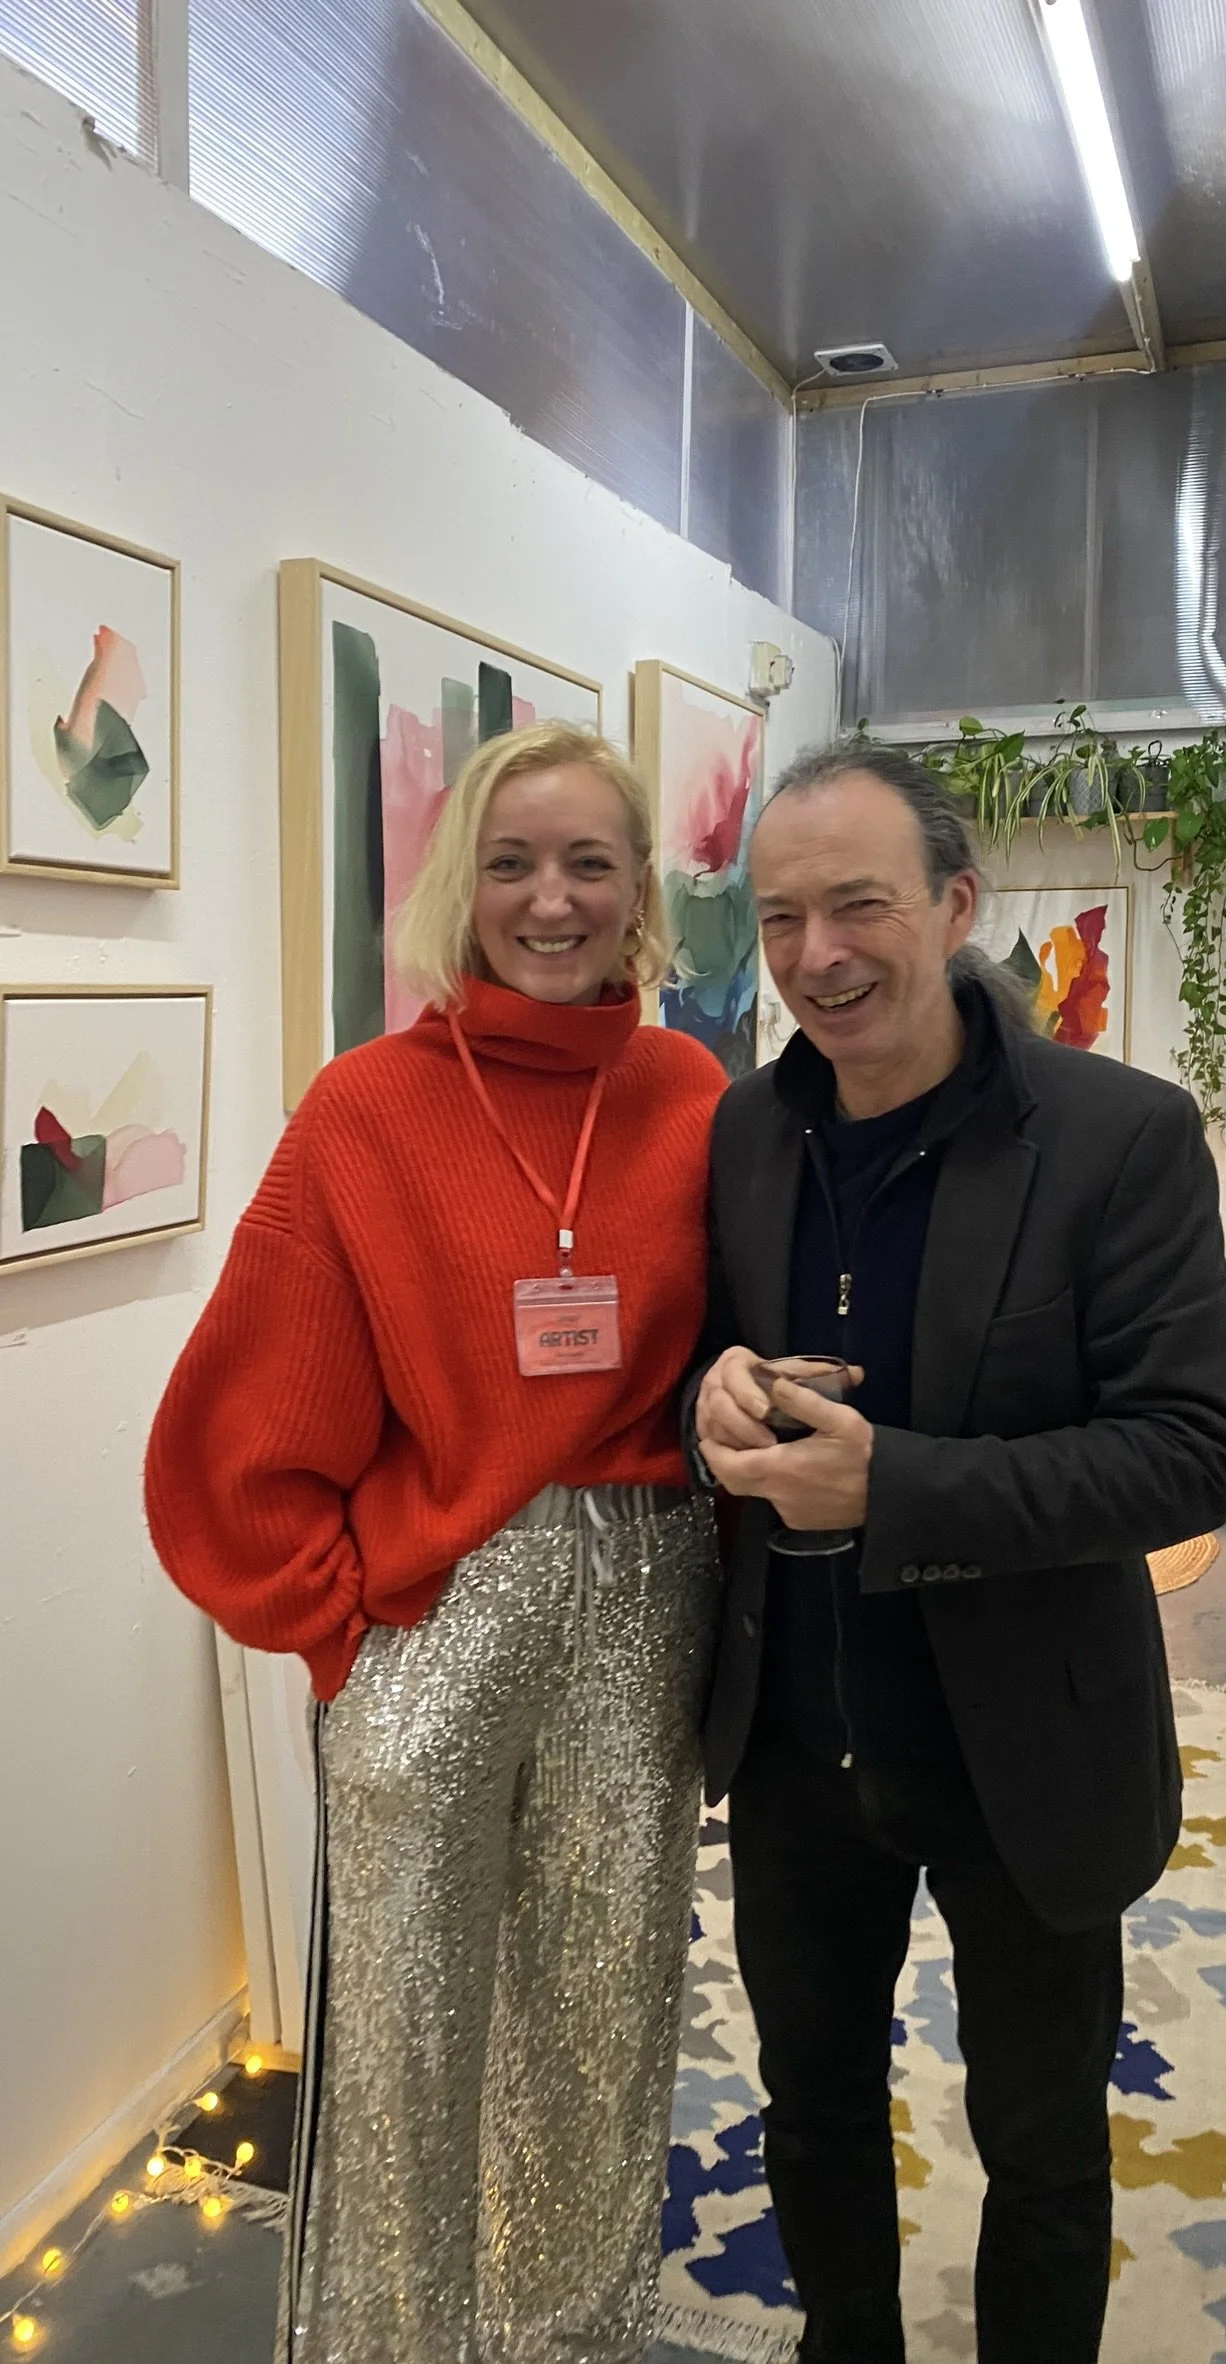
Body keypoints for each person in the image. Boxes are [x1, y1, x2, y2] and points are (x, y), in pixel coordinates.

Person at [145, 722, 728, 2364]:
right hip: (435, 1610)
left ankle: (568, 2340)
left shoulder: (694, 1096)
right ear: (459, 883)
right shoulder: (365, 1108)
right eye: (511, 862)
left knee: (600, 2025)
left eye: (589, 863)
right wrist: (340, 1623)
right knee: (402, 2039)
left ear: (638, 891)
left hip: (645, 1600)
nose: (550, 901)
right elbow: (249, 1410)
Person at [690, 740, 1226, 2364]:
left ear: (953, 905)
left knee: (1041, 2141)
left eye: (857, 905)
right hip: (796, 1737)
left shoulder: (1118, 1135)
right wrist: (705, 1393)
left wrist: (897, 1487)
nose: (815, 955)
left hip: (1028, 1739)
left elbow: (1193, 1452)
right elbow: (706, 1362)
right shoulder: (744, 1132)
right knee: (810, 2110)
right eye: (780, 916)